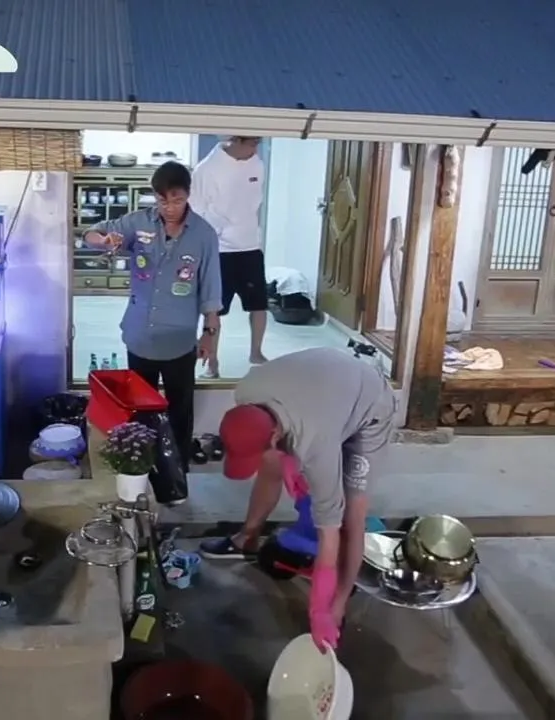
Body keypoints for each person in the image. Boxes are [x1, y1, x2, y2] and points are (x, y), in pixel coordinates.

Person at [199, 347, 397, 651]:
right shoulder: (247, 392)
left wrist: (320, 612)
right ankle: (247, 538)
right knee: (270, 462)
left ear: (275, 434)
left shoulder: (316, 445)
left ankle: (339, 604)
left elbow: (330, 534)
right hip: (323, 387)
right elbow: (269, 448)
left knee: (350, 517)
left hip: (369, 403)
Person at [82, 161, 222, 471]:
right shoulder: (137, 223)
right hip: (140, 337)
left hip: (179, 341)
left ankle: (177, 471)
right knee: (140, 412)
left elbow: (211, 288)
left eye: (177, 200)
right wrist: (103, 241)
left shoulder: (204, 235)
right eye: (162, 201)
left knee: (180, 411)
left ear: (188, 195)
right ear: (155, 197)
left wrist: (210, 334)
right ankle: (142, 470)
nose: (169, 208)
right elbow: (92, 233)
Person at [190, 136, 269, 378]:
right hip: (220, 250)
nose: (255, 149)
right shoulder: (207, 169)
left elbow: (254, 201)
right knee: (214, 310)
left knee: (259, 305)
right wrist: (220, 227)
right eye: (251, 143)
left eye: (258, 143)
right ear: (234, 140)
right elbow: (196, 209)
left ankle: (256, 353)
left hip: (250, 246)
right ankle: (212, 363)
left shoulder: (257, 164)